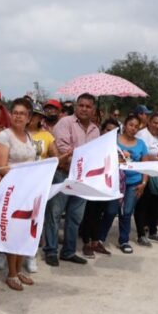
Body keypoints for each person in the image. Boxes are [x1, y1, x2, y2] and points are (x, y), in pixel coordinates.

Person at [43, 93, 100, 267]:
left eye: (88, 106)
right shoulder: (65, 123)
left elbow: (96, 154)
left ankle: (68, 251)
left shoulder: (95, 130)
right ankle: (51, 251)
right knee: (54, 214)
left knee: (75, 217)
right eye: (81, 105)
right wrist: (83, 156)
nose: (84, 109)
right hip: (63, 174)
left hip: (81, 179)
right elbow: (63, 149)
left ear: (93, 110)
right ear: (76, 106)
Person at [0, 98, 39, 291]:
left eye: (23, 113)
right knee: (13, 232)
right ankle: (11, 273)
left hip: (28, 192)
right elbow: (2, 167)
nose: (18, 116)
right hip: (12, 191)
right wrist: (23, 179)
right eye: (16, 112)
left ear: (29, 118)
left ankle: (19, 269)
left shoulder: (28, 136)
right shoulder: (5, 136)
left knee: (24, 231)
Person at [97, 114, 151, 254]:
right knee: (110, 211)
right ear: (125, 125)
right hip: (115, 181)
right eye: (130, 125)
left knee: (127, 212)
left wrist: (144, 183)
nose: (133, 128)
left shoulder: (141, 144)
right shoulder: (113, 140)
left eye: (136, 127)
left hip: (134, 182)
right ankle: (100, 239)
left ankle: (124, 240)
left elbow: (146, 165)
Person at [80, 118, 120, 257]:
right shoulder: (94, 144)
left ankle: (95, 242)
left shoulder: (115, 148)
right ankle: (86, 243)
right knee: (89, 214)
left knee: (100, 214)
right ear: (102, 130)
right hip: (91, 184)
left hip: (105, 185)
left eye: (114, 132)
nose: (110, 133)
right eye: (108, 130)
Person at [134, 112, 158, 246]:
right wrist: (157, 160)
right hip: (144, 174)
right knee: (142, 204)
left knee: (156, 204)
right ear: (149, 122)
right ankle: (141, 234)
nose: (157, 126)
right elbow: (142, 154)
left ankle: (153, 231)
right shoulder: (142, 135)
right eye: (155, 122)